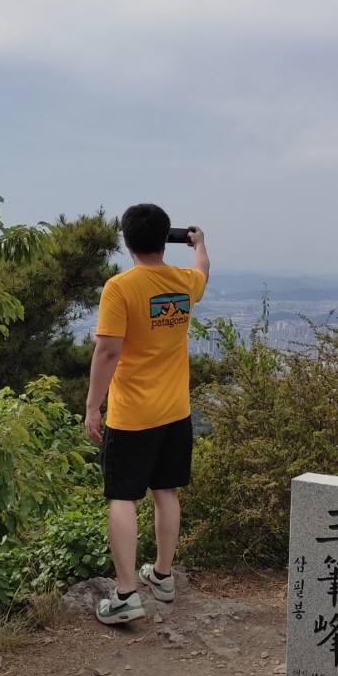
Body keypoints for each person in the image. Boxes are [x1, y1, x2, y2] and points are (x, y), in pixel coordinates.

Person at [84, 204, 209, 624]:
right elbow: (203, 270)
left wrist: (91, 405)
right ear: (164, 239)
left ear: (127, 240)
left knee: (123, 497)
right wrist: (199, 245)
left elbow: (108, 350)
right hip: (175, 410)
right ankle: (163, 575)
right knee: (166, 491)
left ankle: (124, 596)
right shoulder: (184, 281)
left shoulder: (120, 287)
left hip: (133, 413)